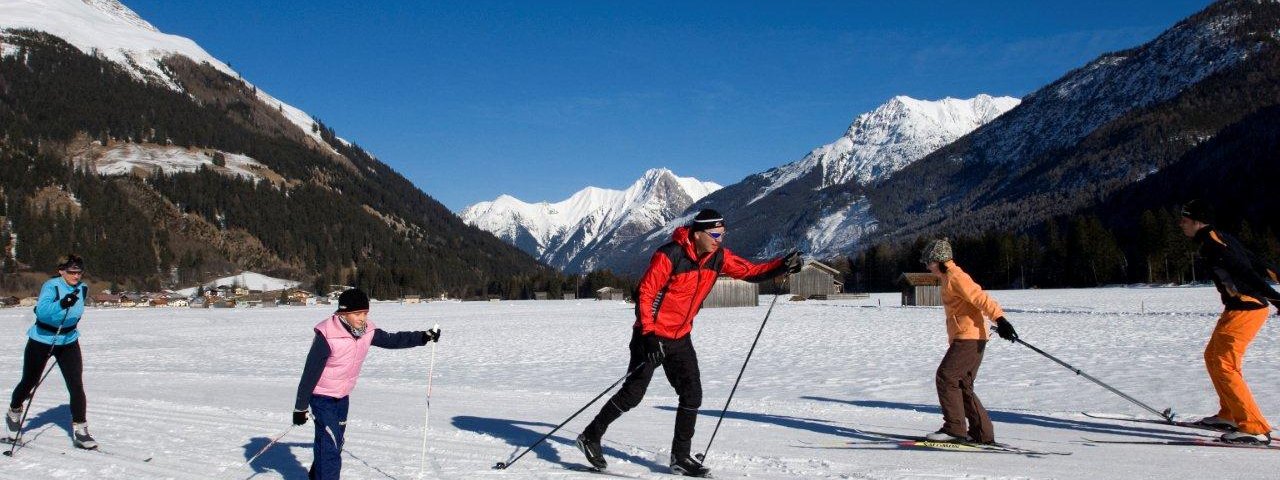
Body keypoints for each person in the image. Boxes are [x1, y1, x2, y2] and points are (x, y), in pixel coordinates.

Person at [576, 209, 801, 477]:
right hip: (651, 336)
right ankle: (590, 436)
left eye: (723, 234)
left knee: (692, 393)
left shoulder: (718, 257)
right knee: (633, 394)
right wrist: (648, 335)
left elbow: (749, 271)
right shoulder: (670, 255)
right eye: (715, 234)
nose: (720, 239)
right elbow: (645, 293)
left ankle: (680, 458)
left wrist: (780, 266)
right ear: (698, 234)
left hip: (680, 336)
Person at [293, 288, 441, 479]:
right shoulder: (327, 335)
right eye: (357, 313)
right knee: (330, 445)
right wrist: (300, 407)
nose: (362, 318)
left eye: (365, 313)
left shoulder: (366, 332)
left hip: (342, 396)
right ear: (343, 313)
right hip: (322, 397)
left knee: (334, 442)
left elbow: (393, 339)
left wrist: (423, 337)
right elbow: (310, 373)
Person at [1179, 200, 1277, 444]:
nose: (1181, 224)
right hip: (1237, 308)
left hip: (1247, 308)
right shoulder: (1217, 238)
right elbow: (1255, 259)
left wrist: (1276, 298)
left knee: (1224, 363)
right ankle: (1230, 414)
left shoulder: (1214, 245)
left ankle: (1253, 425)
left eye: (1184, 220)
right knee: (1213, 356)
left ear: (1196, 221)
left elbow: (1246, 271)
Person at [919, 239, 1017, 444]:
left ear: (940, 260)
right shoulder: (948, 277)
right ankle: (982, 433)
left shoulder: (956, 276)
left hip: (968, 338)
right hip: (970, 337)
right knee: (962, 385)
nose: (927, 266)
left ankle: (954, 429)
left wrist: (1000, 319)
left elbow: (980, 297)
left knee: (946, 377)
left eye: (929, 262)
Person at [6, 254, 96, 449]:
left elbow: (77, 312)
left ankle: (80, 429)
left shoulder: (82, 288)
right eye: (72, 272)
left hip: (69, 340)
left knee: (76, 384)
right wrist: (62, 303)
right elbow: (42, 311)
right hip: (42, 340)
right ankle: (14, 412)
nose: (76, 276)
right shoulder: (51, 286)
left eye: (79, 272)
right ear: (61, 271)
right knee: (30, 380)